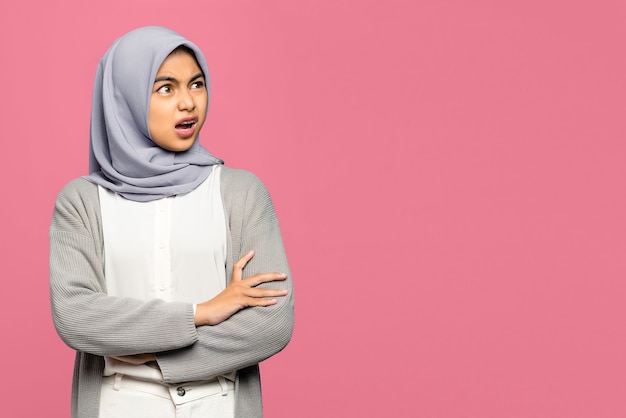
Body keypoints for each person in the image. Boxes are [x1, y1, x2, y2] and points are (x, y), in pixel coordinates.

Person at [49, 26, 294, 418]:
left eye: (196, 84)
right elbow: (77, 317)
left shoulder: (241, 192)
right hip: (118, 406)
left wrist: (149, 356)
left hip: (219, 404)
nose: (188, 103)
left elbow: (271, 323)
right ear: (123, 98)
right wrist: (201, 312)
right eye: (165, 88)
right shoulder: (82, 202)